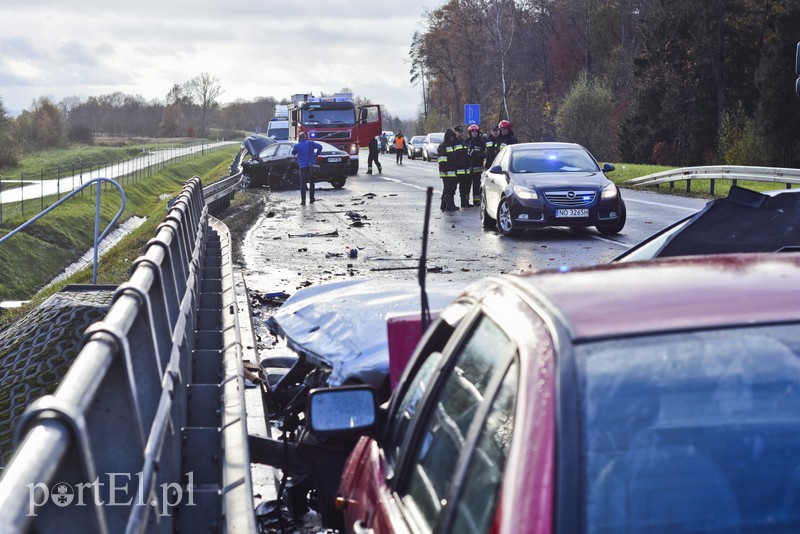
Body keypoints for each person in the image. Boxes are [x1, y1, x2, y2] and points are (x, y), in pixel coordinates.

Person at [290, 132, 323, 205]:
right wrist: (316, 155)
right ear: (305, 137)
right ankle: (312, 199)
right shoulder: (310, 143)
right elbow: (320, 147)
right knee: (312, 182)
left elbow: (293, 153)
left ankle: (303, 200)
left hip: (302, 166)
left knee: (303, 183)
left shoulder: (297, 145)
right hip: (311, 166)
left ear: (299, 138)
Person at [438, 128, 461, 211]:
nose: (452, 138)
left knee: (451, 189)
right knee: (448, 189)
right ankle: (448, 205)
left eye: (453, 137)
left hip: (452, 171)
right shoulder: (443, 146)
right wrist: (444, 169)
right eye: (451, 137)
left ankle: (445, 205)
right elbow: (442, 159)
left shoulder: (452, 145)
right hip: (446, 172)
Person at [466, 124, 486, 206]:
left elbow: (485, 154)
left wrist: (478, 154)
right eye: (473, 131)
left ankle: (476, 201)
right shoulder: (466, 142)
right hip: (468, 167)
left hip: (477, 167)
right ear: (470, 133)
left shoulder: (481, 142)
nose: (474, 133)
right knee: (466, 185)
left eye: (476, 131)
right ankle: (465, 201)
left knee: (476, 185)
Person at [452, 125, 471, 207]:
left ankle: (465, 202)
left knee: (465, 187)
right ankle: (450, 204)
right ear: (455, 132)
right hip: (457, 169)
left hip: (465, 169)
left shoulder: (464, 142)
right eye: (459, 132)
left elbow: (467, 154)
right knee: (453, 188)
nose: (461, 133)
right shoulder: (453, 142)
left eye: (461, 132)